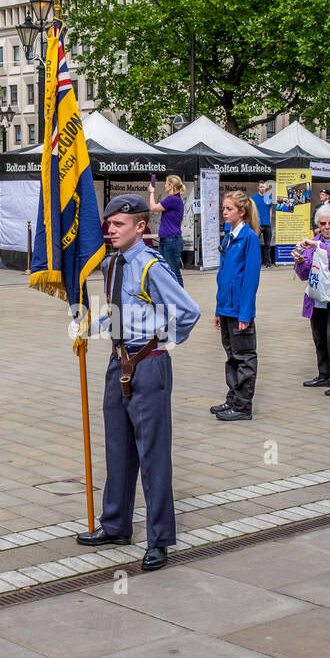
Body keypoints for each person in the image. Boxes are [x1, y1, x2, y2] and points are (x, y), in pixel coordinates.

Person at [76, 193, 201, 571]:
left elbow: (189, 312)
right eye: (108, 224)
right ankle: (115, 524)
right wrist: (90, 327)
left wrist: (160, 342)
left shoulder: (151, 266)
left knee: (153, 455)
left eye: (118, 225)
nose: (110, 230)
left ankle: (159, 538)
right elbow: (116, 311)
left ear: (140, 227)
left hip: (147, 364)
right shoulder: (113, 264)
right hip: (119, 362)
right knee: (118, 448)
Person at [292, 203, 330, 395]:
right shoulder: (314, 241)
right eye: (323, 223)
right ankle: (324, 375)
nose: (327, 227)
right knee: (319, 336)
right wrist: (300, 261)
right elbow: (303, 274)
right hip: (317, 297)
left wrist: (317, 245)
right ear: (318, 224)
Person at [212, 190, 262, 421]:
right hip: (227, 307)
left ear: (241, 212)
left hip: (239, 309)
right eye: (223, 208)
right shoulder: (229, 236)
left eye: (228, 208)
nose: (224, 212)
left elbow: (250, 280)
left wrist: (245, 313)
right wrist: (218, 309)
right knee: (231, 356)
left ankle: (243, 406)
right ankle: (233, 398)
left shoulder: (249, 237)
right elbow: (223, 277)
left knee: (244, 357)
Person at [146, 174, 186, 285]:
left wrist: (152, 192)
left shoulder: (172, 199)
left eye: (166, 183)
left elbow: (153, 208)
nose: (164, 185)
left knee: (173, 271)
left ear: (170, 186)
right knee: (166, 270)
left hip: (171, 240)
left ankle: (180, 298)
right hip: (167, 239)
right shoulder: (175, 199)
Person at [251, 180, 274, 267]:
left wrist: (269, 220)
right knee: (255, 244)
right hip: (257, 225)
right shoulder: (254, 198)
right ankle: (256, 262)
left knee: (267, 244)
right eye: (261, 186)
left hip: (267, 224)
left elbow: (270, 209)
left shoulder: (268, 197)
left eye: (263, 186)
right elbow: (251, 210)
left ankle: (267, 262)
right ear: (258, 187)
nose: (262, 188)